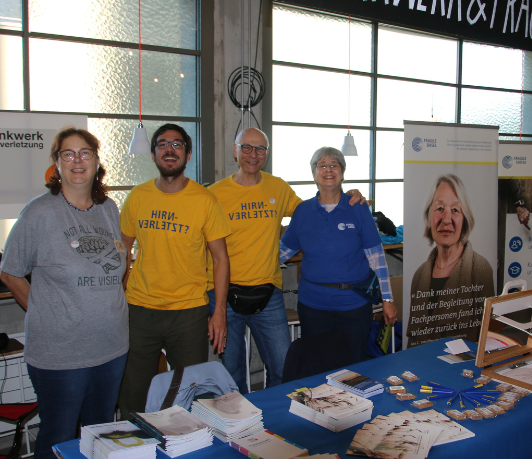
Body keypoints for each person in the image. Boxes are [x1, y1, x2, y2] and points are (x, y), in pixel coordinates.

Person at [0, 127, 128, 459]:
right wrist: (45, 313)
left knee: (100, 434)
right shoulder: (39, 213)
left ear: (97, 162)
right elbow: (10, 272)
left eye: (85, 153)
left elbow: (116, 266)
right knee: (59, 437)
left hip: (112, 348)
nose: (77, 160)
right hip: (61, 354)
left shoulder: (109, 209)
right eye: (67, 154)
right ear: (56, 164)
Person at [207, 128, 367, 393]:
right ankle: (238, 426)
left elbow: (313, 212)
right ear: (235, 150)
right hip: (224, 293)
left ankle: (276, 423)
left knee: (283, 367)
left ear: (266, 154)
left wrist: (346, 195)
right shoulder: (214, 194)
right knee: (231, 370)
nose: (253, 154)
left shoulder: (277, 187)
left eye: (260, 149)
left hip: (267, 291)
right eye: (246, 147)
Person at [118, 123, 231, 420]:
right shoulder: (137, 197)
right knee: (134, 392)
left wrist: (219, 311)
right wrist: (117, 298)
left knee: (190, 392)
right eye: (162, 144)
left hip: (189, 312)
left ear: (188, 154)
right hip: (141, 309)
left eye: (177, 144)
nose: (170, 149)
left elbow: (220, 259)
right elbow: (120, 253)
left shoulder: (205, 200)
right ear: (154, 154)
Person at [280, 147, 396, 364]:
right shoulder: (303, 211)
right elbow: (283, 251)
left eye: (334, 165)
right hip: (312, 306)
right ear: (314, 173)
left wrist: (388, 299)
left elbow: (377, 257)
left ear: (342, 171)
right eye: (321, 165)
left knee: (353, 367)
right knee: (316, 366)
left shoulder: (358, 208)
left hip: (353, 305)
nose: (328, 170)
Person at [406, 174, 495, 348]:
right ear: (429, 216)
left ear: (465, 218)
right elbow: (413, 340)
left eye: (455, 210)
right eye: (439, 209)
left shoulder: (480, 270)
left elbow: (488, 337)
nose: (446, 219)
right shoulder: (419, 275)